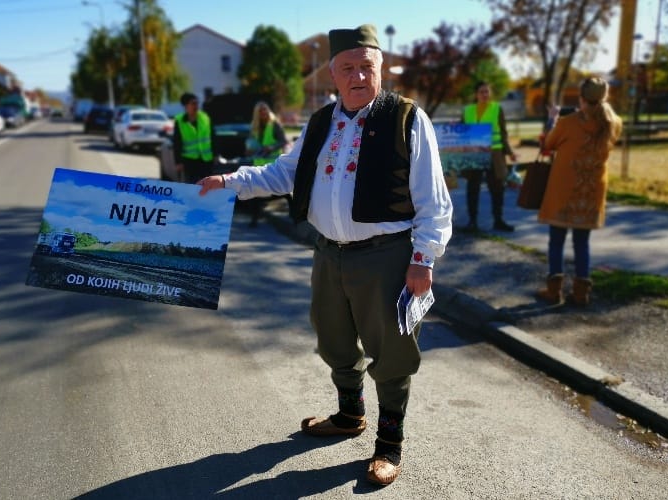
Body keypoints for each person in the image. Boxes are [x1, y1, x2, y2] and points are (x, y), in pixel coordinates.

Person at [197, 24, 452, 486]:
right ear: (332, 74)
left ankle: (389, 444)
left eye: (366, 67)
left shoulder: (407, 118)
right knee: (333, 339)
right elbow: (283, 174)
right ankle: (350, 415)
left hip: (387, 257)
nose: (358, 77)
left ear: (381, 69)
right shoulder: (320, 123)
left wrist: (424, 259)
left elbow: (434, 200)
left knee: (392, 353)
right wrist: (229, 182)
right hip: (328, 253)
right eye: (348, 68)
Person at [536, 77, 623, 307]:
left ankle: (554, 291)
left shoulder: (568, 123)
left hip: (564, 190)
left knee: (556, 241)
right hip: (591, 192)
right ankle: (581, 293)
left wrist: (552, 118)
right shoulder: (613, 123)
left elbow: (548, 144)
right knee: (582, 243)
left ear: (581, 98)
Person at [460, 81, 518, 232]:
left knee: (497, 188)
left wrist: (510, 152)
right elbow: (461, 132)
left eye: (487, 91)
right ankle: (472, 221)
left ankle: (498, 220)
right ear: (476, 94)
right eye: (481, 92)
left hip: (495, 153)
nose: (485, 94)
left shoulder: (497, 109)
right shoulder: (467, 111)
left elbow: (503, 133)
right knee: (473, 188)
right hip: (474, 154)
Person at [244, 101, 290, 227]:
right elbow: (251, 143)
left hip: (272, 165)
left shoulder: (274, 124)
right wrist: (248, 149)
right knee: (255, 192)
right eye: (261, 111)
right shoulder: (254, 127)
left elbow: (283, 141)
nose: (264, 112)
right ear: (257, 113)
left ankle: (292, 210)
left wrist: (272, 147)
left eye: (265, 110)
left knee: (279, 191)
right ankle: (254, 219)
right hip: (258, 164)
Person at [173, 92, 215, 183]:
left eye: (197, 103)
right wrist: (178, 162)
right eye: (193, 103)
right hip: (190, 162)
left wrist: (216, 154)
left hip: (206, 160)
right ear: (186, 106)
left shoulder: (205, 118)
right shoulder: (180, 121)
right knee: (193, 187)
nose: (196, 106)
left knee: (208, 186)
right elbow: (177, 142)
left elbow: (213, 137)